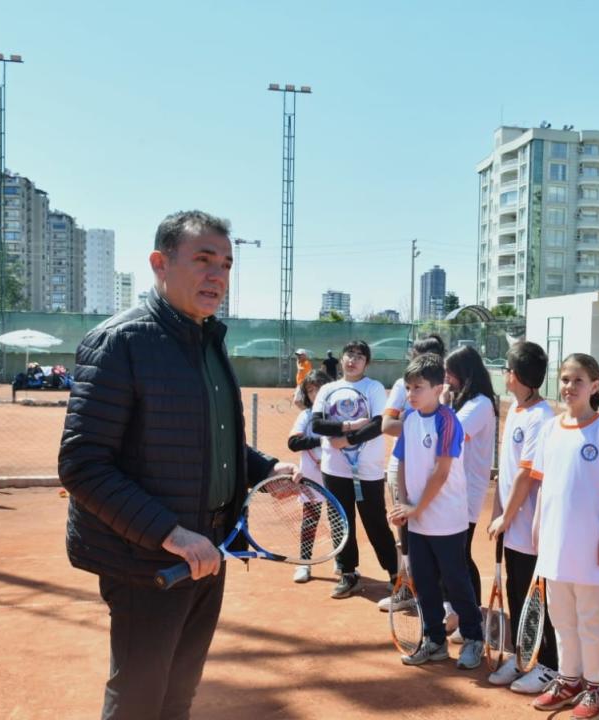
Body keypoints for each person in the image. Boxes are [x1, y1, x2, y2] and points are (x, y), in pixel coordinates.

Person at [58, 210, 293, 720]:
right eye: (203, 261)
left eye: (226, 265)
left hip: (209, 553)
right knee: (138, 701)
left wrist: (265, 471)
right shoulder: (121, 341)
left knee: (178, 696)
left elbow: (211, 443)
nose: (218, 276)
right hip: (149, 561)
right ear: (160, 264)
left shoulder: (207, 340)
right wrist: (172, 535)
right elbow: (81, 464)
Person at [529, 353, 599, 720]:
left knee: (590, 618)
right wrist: (538, 523)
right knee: (561, 618)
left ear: (595, 386)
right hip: (554, 542)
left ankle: (598, 688)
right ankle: (569, 680)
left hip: (588, 544)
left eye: (578, 380)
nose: (569, 387)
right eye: (565, 379)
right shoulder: (551, 428)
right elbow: (543, 485)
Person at [387, 353, 486, 669]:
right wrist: (404, 503)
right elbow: (401, 461)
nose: (411, 393)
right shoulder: (409, 420)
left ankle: (473, 639)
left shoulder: (448, 421)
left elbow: (441, 472)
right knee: (426, 585)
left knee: (457, 584)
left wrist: (416, 508)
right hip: (417, 520)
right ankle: (434, 642)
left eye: (418, 387)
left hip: (446, 521)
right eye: (408, 387)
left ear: (438, 388)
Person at [486, 341, 559, 693]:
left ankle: (548, 666)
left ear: (513, 376)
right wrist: (499, 513)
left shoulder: (542, 418)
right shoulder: (514, 409)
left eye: (505, 369)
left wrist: (507, 516)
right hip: (512, 525)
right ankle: (521, 657)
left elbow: (526, 475)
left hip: (531, 530)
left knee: (537, 601)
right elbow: (508, 470)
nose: (503, 375)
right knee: (517, 597)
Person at [311, 340, 398, 599]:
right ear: (341, 358)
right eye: (349, 354)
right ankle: (348, 573)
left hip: (367, 470)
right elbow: (317, 425)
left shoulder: (373, 388)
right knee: (340, 520)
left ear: (366, 363)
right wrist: (347, 426)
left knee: (375, 521)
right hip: (334, 469)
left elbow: (377, 424)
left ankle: (395, 574)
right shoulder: (328, 389)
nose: (353, 359)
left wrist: (347, 441)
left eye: (360, 356)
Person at [377, 334, 445, 614]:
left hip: (440, 470)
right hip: (403, 465)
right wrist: (417, 428)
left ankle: (441, 596)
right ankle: (406, 589)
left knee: (439, 532)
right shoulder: (400, 387)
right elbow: (386, 424)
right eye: (416, 355)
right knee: (405, 528)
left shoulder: (445, 387)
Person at [440, 346, 499, 625]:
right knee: (451, 554)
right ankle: (458, 609)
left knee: (460, 554)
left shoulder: (481, 403)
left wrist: (439, 405)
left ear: (464, 372)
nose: (447, 377)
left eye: (450, 371)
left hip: (467, 491)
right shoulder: (464, 400)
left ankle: (471, 614)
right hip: (453, 489)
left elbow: (451, 434)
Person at [287, 369, 331, 584]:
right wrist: (319, 442)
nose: (315, 394)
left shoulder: (337, 414)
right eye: (310, 390)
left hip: (335, 478)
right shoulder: (305, 416)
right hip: (311, 478)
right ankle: (304, 563)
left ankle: (343, 565)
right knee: (309, 523)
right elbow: (293, 443)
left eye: (319, 388)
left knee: (339, 520)